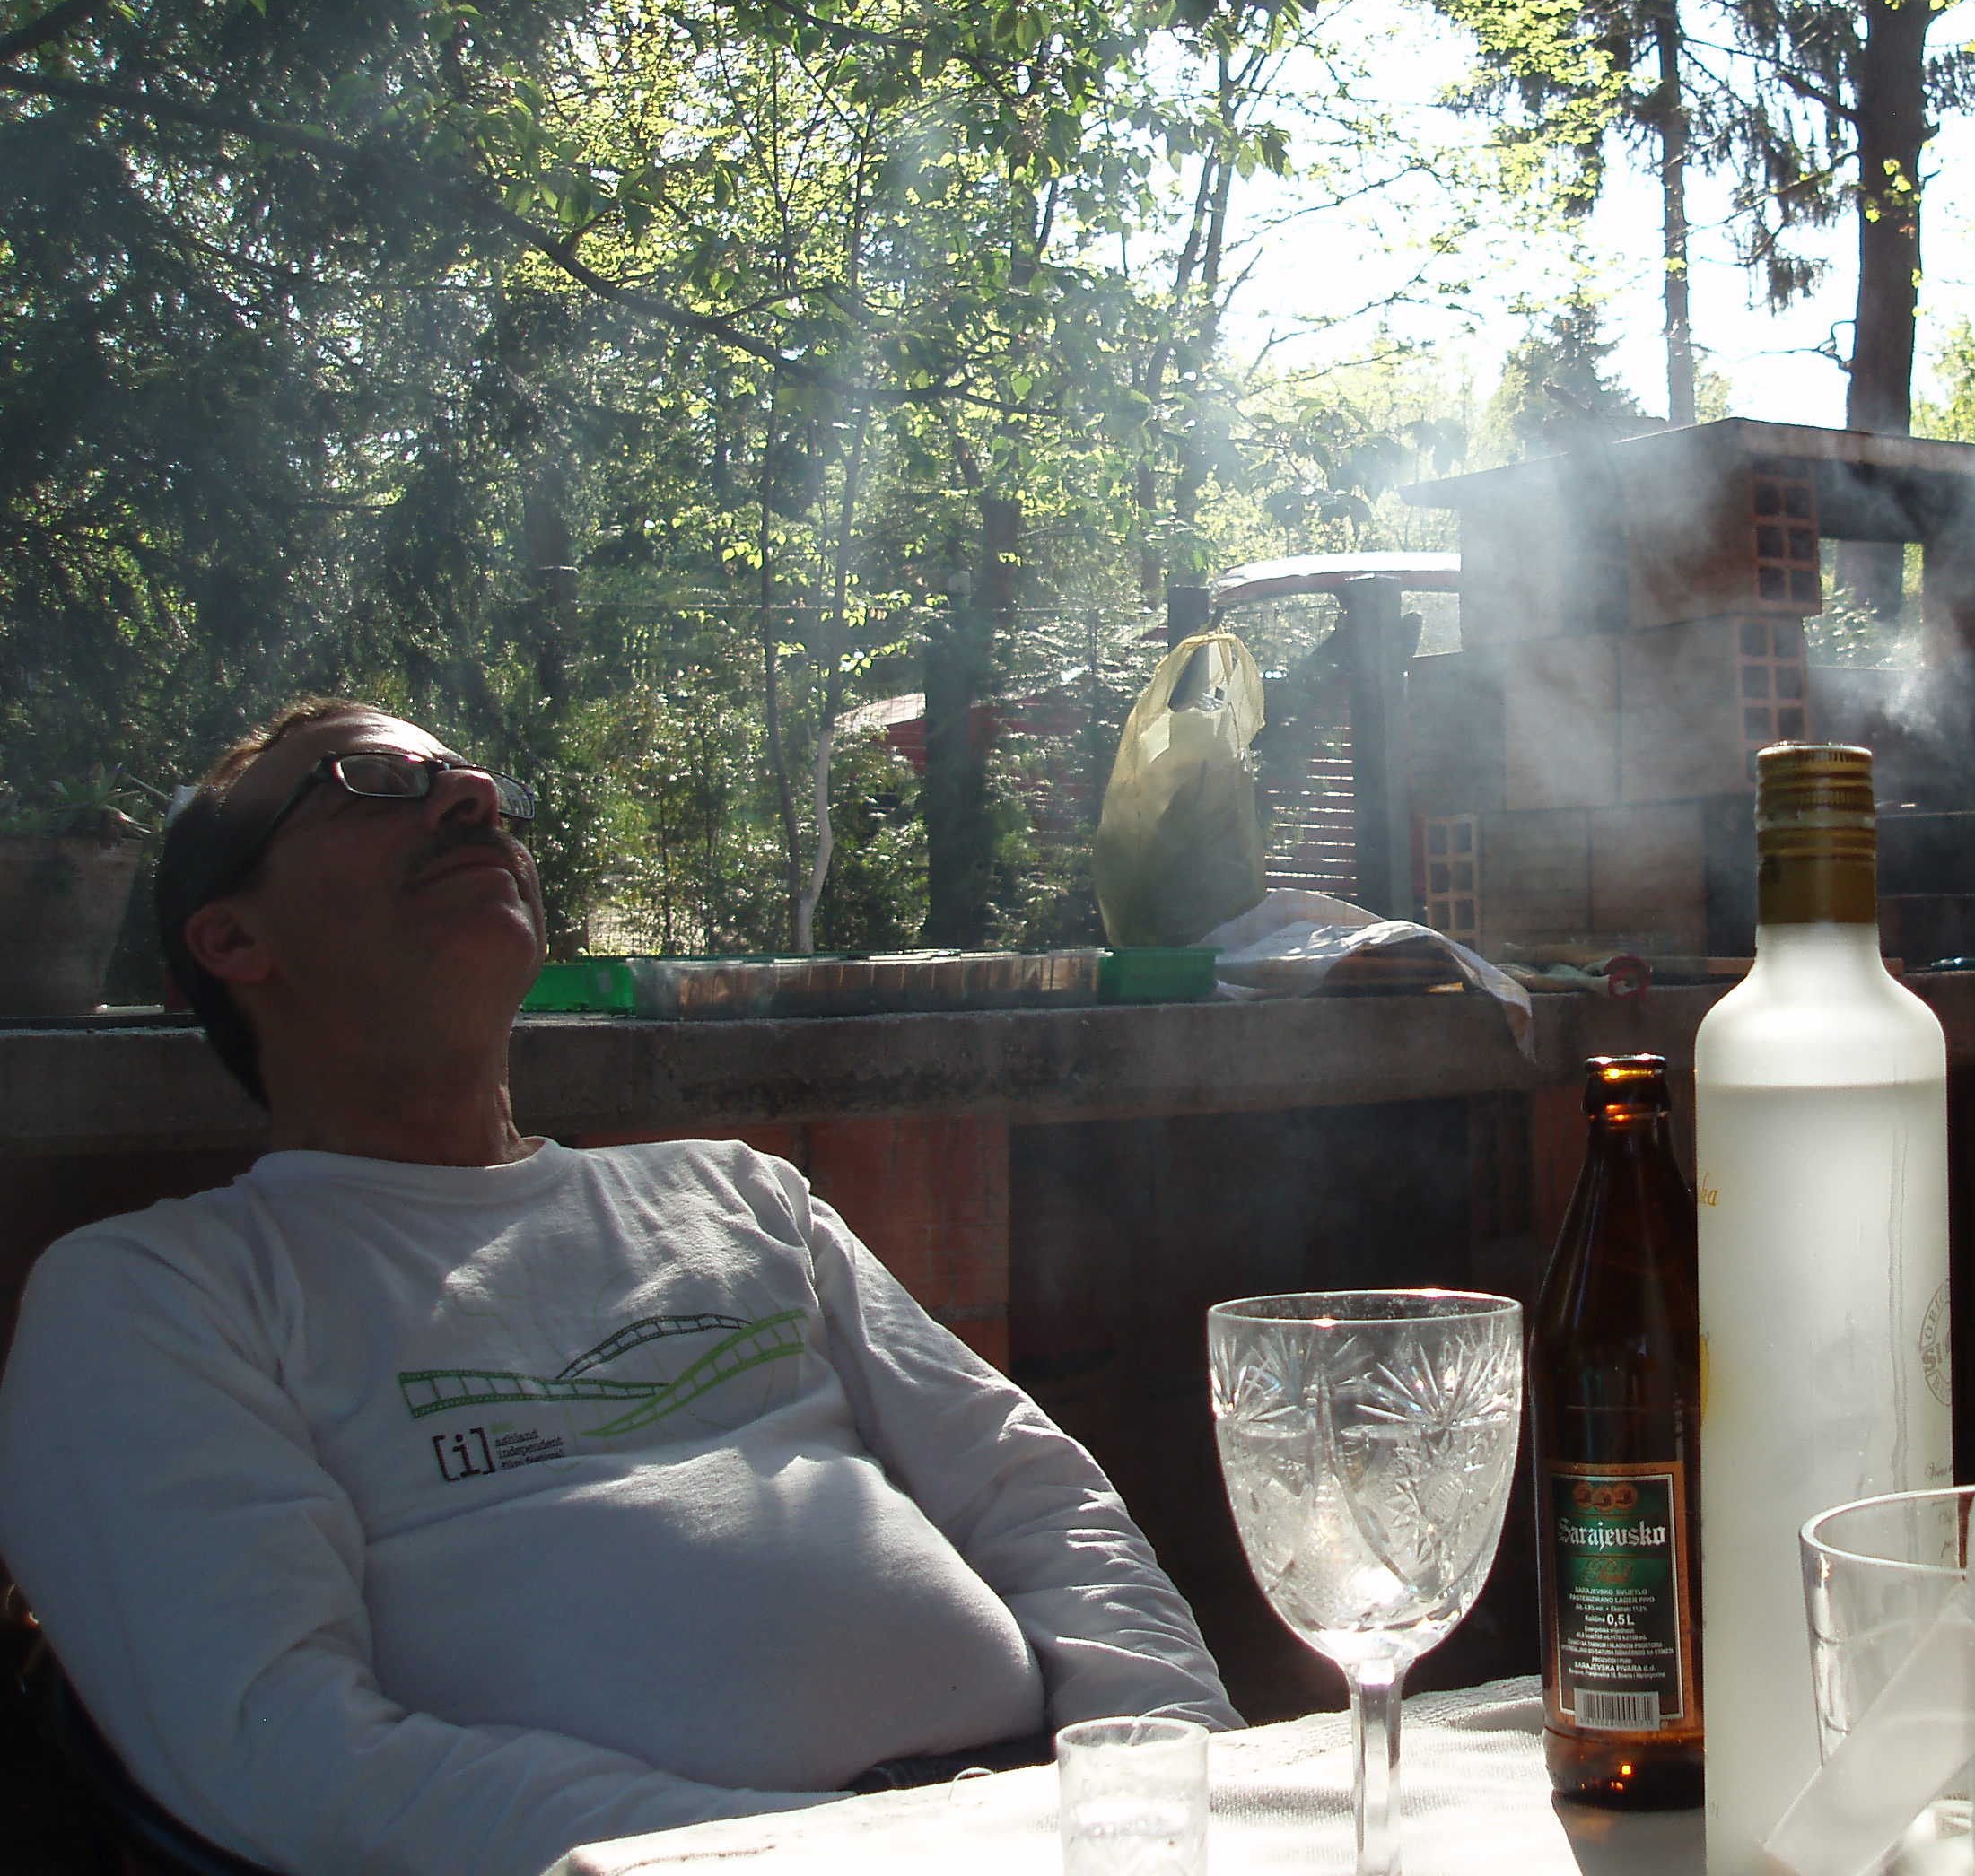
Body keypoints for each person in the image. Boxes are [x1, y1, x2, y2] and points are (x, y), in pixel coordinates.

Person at [0, 697, 1237, 1876]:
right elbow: (276, 1748)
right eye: (370, 782)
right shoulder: (157, 1294)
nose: (473, 798)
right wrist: (812, 1855)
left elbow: (1037, 1498)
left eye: (471, 785)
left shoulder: (735, 1194)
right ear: (231, 938)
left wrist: (1167, 1786)